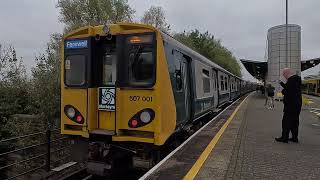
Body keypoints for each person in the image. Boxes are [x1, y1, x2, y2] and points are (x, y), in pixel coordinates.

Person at [275, 68, 302, 143]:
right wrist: (282, 84)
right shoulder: (297, 79)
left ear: (287, 73)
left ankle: (284, 138)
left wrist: (283, 91)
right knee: (295, 121)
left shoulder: (291, 80)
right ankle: (294, 138)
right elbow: (291, 89)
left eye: (284, 74)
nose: (284, 76)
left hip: (290, 105)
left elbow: (287, 91)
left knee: (286, 121)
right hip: (297, 104)